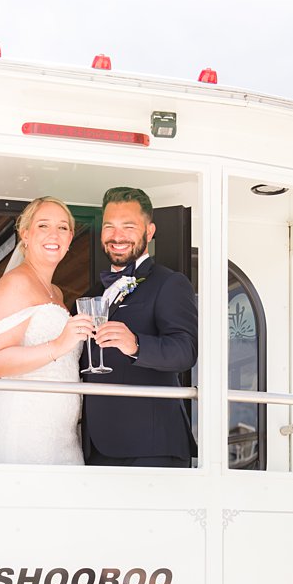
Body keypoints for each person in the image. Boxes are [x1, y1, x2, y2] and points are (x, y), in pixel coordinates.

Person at [0, 196, 95, 464]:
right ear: (25, 234)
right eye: (43, 226)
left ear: (71, 237)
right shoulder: (14, 284)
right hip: (21, 431)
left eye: (63, 228)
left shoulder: (57, 293)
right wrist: (59, 345)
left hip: (61, 434)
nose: (54, 234)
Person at [80, 186, 199, 466]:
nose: (117, 236)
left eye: (128, 226)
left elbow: (185, 352)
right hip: (96, 445)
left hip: (151, 446)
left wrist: (135, 344)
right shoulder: (96, 291)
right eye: (109, 227)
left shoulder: (170, 283)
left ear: (149, 231)